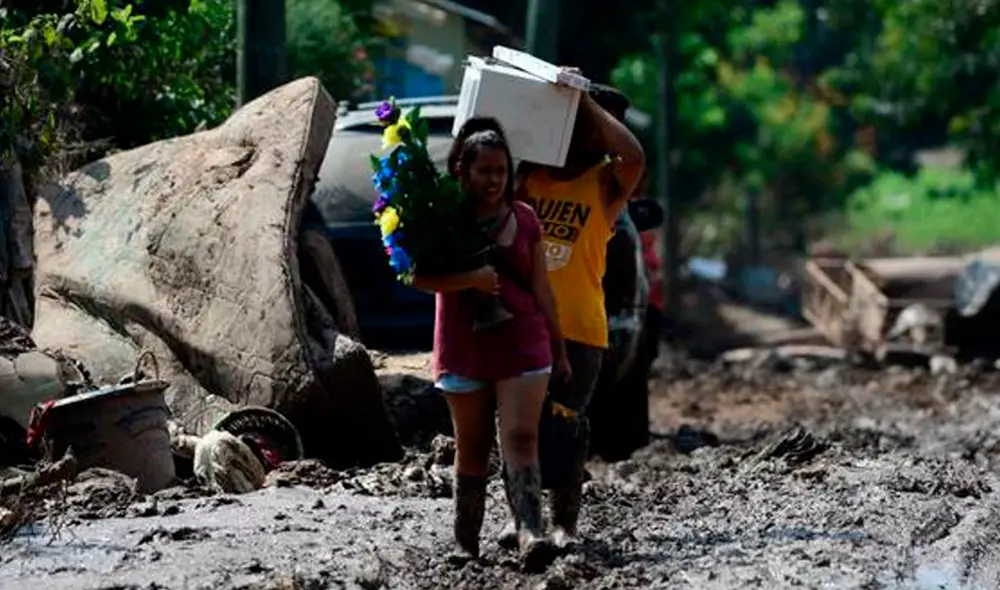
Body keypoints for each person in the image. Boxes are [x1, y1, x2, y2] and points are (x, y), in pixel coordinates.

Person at [411, 116, 569, 570]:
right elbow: (418, 277)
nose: (494, 180)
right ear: (463, 170)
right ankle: (466, 542)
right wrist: (471, 279)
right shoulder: (438, 218)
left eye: (501, 171)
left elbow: (543, 291)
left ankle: (530, 532)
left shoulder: (525, 219)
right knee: (473, 445)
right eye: (485, 171)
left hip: (522, 341)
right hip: (463, 344)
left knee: (521, 435)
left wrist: (559, 349)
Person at [509, 80, 646, 549]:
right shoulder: (533, 177)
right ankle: (523, 519)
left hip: (581, 330)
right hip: (522, 325)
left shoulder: (606, 184)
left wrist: (582, 100)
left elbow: (635, 158)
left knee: (567, 425)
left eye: (595, 129)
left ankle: (564, 524)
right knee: (517, 426)